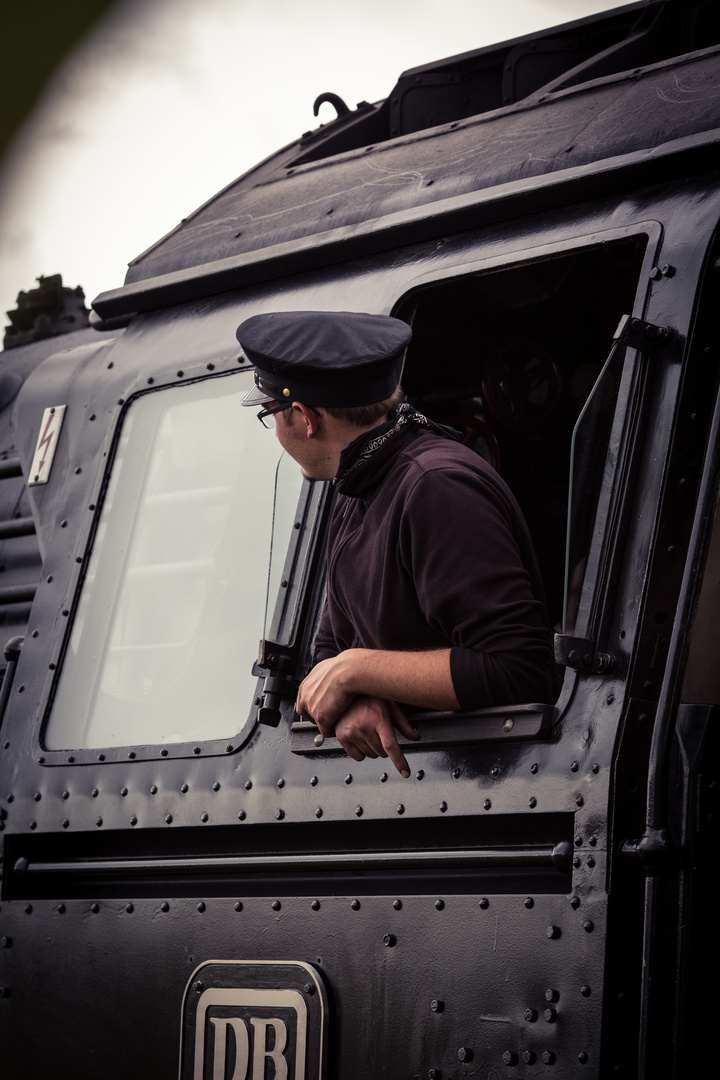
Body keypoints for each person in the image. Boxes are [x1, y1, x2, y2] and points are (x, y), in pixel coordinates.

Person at [238, 310, 557, 777]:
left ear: (304, 418)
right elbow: (331, 643)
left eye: (271, 414)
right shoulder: (357, 484)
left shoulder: (435, 486)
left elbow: (518, 667)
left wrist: (358, 672)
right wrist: (357, 698)